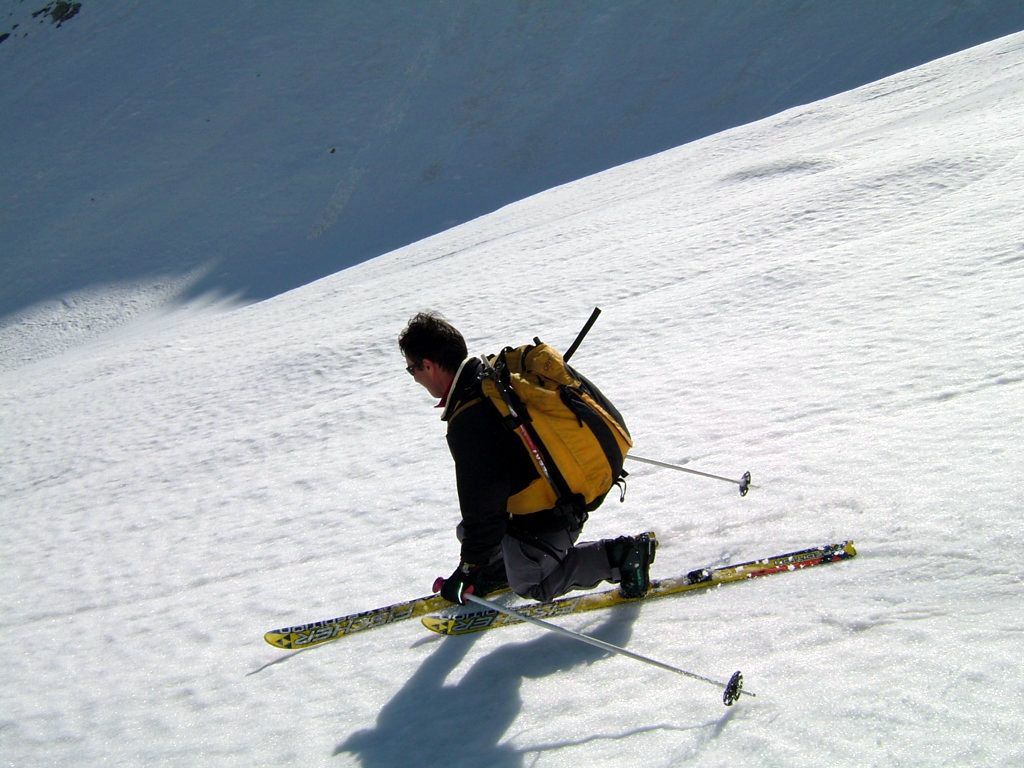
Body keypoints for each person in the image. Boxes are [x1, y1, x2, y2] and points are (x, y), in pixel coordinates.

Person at [398, 311, 656, 605]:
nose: (415, 378)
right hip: (569, 484)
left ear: (428, 365)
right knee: (469, 532)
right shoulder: (493, 376)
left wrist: (468, 570)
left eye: (412, 370)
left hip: (557, 510)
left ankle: (621, 557)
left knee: (531, 582)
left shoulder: (469, 419)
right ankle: (501, 566)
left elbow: (484, 510)